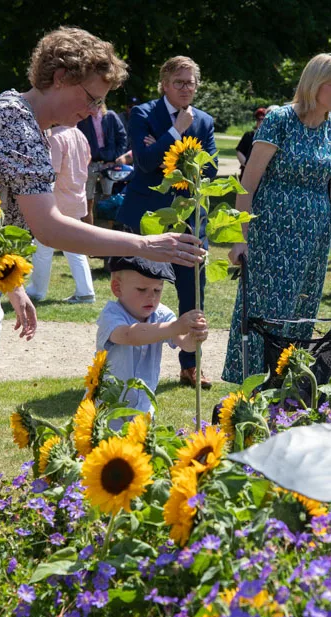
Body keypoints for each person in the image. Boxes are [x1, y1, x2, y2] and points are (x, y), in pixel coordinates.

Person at [0, 27, 204, 512]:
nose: (95, 112)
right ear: (60, 77)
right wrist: (145, 243)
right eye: (90, 98)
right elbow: (51, 227)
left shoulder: (17, 119)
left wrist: (12, 284)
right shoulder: (15, 125)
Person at [222, 53, 331, 383]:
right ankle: (253, 386)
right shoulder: (280, 119)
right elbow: (247, 183)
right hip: (270, 232)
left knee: (300, 314)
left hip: (313, 237)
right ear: (314, 83)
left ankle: (288, 385)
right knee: (265, 314)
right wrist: (240, 237)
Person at [115, 55, 217, 389]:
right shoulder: (144, 114)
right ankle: (128, 361)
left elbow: (209, 170)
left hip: (187, 221)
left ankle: (191, 364)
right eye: (179, 83)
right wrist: (177, 133)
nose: (186, 89)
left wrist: (164, 150)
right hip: (147, 221)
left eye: (191, 83)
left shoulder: (205, 121)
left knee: (193, 294)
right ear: (164, 84)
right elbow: (144, 164)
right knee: (137, 289)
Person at [96, 256, 208, 416]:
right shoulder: (111, 315)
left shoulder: (162, 315)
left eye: (157, 290)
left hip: (144, 407)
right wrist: (175, 327)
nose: (152, 297)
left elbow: (185, 344)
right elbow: (130, 335)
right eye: (142, 290)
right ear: (117, 288)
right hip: (108, 408)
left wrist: (195, 336)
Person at [27, 125, 97, 303]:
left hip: (58, 201)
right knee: (74, 249)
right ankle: (85, 291)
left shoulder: (55, 138)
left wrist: (41, 202)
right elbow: (87, 161)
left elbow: (51, 174)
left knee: (42, 248)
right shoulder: (79, 134)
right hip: (75, 199)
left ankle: (37, 291)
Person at [77, 104, 130, 225]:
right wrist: (84, 158)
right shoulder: (84, 119)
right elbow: (79, 139)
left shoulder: (110, 116)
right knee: (87, 200)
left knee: (109, 199)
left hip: (109, 163)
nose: (91, 108)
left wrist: (116, 158)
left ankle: (109, 233)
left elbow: (122, 137)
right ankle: (88, 231)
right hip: (90, 163)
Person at [235, 106, 267, 177]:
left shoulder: (270, 138)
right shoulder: (248, 135)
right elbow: (239, 151)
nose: (260, 121)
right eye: (258, 119)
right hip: (246, 171)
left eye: (263, 119)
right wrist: (247, 165)